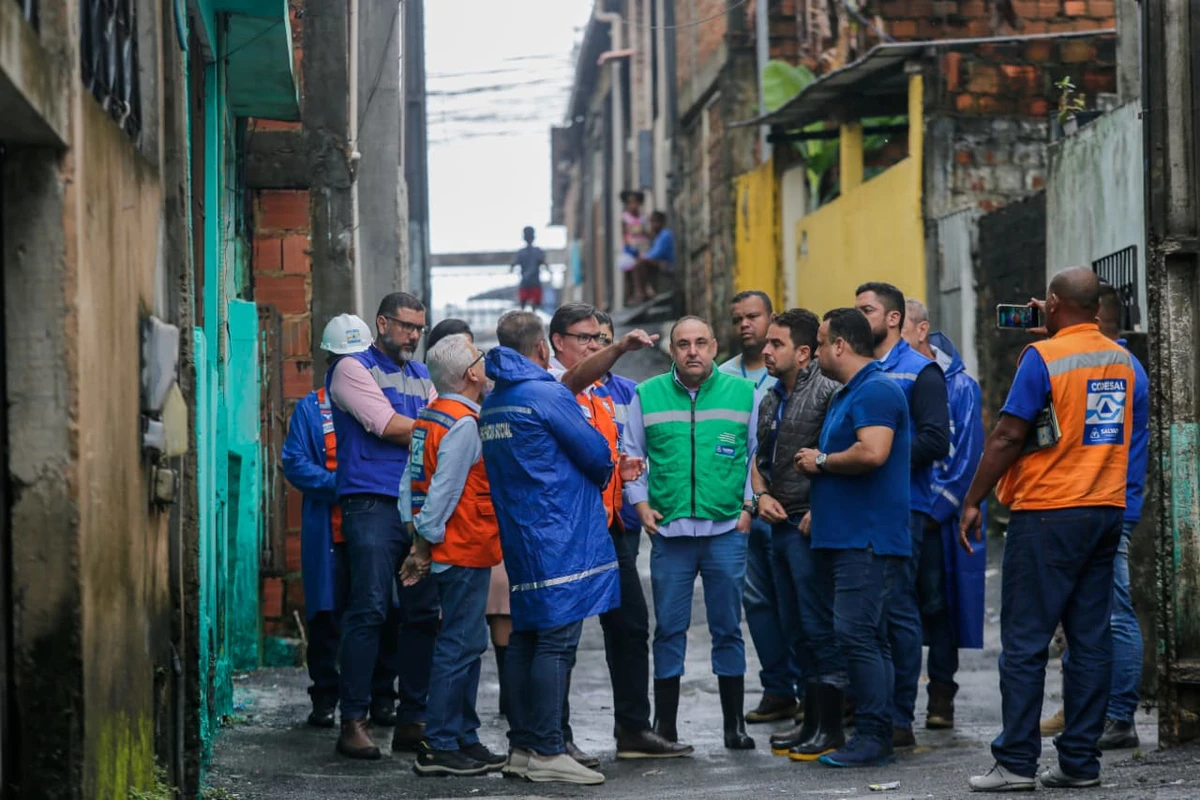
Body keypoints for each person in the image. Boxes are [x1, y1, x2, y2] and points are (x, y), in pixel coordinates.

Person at [962, 267, 1135, 792]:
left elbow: (1007, 435)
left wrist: (973, 499)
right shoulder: (1123, 359)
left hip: (1048, 512)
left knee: (1025, 643)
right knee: (1090, 640)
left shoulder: (1044, 358)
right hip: (1104, 509)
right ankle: (1080, 763)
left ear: (1053, 303)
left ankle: (1016, 762)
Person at [479, 310, 627, 785]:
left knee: (525, 636)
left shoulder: (494, 401)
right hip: (560, 531)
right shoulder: (546, 394)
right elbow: (597, 455)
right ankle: (547, 749)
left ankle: (522, 746)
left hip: (521, 534)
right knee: (557, 641)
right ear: (543, 346)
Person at [545, 304, 689, 762]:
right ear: (557, 342)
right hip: (569, 530)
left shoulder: (613, 394)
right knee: (562, 635)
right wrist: (621, 347)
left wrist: (623, 471)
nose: (595, 346)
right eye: (585, 338)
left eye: (600, 338)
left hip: (612, 525)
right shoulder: (553, 386)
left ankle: (632, 728)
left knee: (630, 624)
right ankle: (554, 737)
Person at [624, 316, 759, 751]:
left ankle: (734, 726)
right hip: (671, 533)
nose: (693, 351)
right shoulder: (646, 395)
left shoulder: (744, 394)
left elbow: (756, 456)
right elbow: (631, 457)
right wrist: (641, 505)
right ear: (672, 351)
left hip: (726, 529)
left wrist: (748, 507)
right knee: (668, 629)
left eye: (701, 343)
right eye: (683, 344)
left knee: (728, 628)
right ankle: (665, 726)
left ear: (715, 347)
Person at [794, 307, 912, 768]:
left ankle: (873, 736)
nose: (817, 353)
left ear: (840, 345)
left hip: (867, 539)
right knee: (867, 638)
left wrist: (820, 461)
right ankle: (876, 731)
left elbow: (873, 452)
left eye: (822, 344)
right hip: (848, 536)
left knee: (856, 636)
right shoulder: (851, 391)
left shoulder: (876, 389)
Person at [325, 294, 441, 760]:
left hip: (417, 507)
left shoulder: (422, 374)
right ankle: (353, 720)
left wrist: (441, 427)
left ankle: (413, 719)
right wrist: (443, 429)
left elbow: (434, 422)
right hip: (371, 503)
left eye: (419, 328)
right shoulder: (351, 369)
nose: (414, 335)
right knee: (370, 609)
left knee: (421, 613)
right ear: (382, 323)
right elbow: (389, 425)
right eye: (406, 326)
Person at [1038, 281, 1149, 751]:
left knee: (1113, 612)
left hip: (1106, 499)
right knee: (1088, 612)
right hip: (1097, 499)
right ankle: (1091, 710)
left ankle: (1118, 714)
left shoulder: (1114, 365)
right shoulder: (1111, 362)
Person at [397, 334, 507, 777]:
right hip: (461, 546)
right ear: (471, 374)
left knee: (466, 644)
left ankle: (463, 737)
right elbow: (443, 491)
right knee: (458, 646)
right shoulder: (463, 423)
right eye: (480, 359)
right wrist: (424, 543)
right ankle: (439, 744)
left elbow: (408, 485)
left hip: (454, 547)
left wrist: (417, 537)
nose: (484, 364)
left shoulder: (430, 417)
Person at [282, 315, 398, 730]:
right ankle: (326, 698)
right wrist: (345, 487)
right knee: (327, 618)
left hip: (375, 528)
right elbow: (295, 462)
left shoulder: (383, 403)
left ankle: (382, 698)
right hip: (330, 532)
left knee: (382, 612)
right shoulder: (311, 409)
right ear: (329, 361)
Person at [854, 282, 950, 748]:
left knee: (897, 609)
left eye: (867, 310)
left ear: (894, 319)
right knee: (865, 613)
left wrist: (879, 451)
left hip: (903, 506)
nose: (860, 318)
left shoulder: (920, 371)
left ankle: (899, 717)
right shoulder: (859, 368)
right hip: (860, 506)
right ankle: (870, 710)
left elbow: (936, 440)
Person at [747, 309, 840, 760]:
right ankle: (810, 721)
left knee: (819, 627)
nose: (765, 350)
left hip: (811, 527)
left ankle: (831, 727)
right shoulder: (769, 398)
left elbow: (841, 455)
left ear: (803, 353)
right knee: (795, 628)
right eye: (767, 342)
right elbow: (760, 460)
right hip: (779, 527)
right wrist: (760, 496)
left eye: (776, 344)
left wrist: (823, 509)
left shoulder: (828, 391)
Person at [901, 300, 987, 731]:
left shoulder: (961, 386)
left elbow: (968, 456)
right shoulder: (894, 376)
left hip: (937, 515)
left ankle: (941, 693)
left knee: (938, 603)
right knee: (900, 604)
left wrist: (937, 511)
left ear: (922, 330)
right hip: (902, 508)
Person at [717, 290, 796, 723]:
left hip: (786, 506)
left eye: (753, 316)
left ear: (771, 318)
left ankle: (812, 692)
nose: (745, 325)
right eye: (738, 319)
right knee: (757, 602)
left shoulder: (790, 372)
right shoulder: (722, 377)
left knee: (797, 599)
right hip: (742, 511)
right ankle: (778, 688)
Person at [632, 211, 674, 303]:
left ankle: (643, 294)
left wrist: (644, 257)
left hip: (666, 264)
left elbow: (657, 253)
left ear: (662, 223)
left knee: (641, 263)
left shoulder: (665, 234)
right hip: (658, 263)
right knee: (638, 264)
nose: (653, 225)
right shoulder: (656, 235)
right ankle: (642, 293)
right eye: (652, 222)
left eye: (655, 222)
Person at [619, 190, 649, 300]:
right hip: (630, 248)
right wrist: (632, 247)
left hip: (643, 246)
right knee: (631, 271)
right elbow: (625, 234)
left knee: (643, 269)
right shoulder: (625, 218)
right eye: (630, 203)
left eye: (635, 202)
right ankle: (631, 295)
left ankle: (643, 291)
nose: (633, 205)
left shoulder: (643, 217)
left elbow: (646, 233)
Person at [511, 226, 547, 311]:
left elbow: (513, 265)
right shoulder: (538, 251)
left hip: (526, 282)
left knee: (523, 307)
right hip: (534, 283)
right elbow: (545, 263)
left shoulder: (521, 253)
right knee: (533, 307)